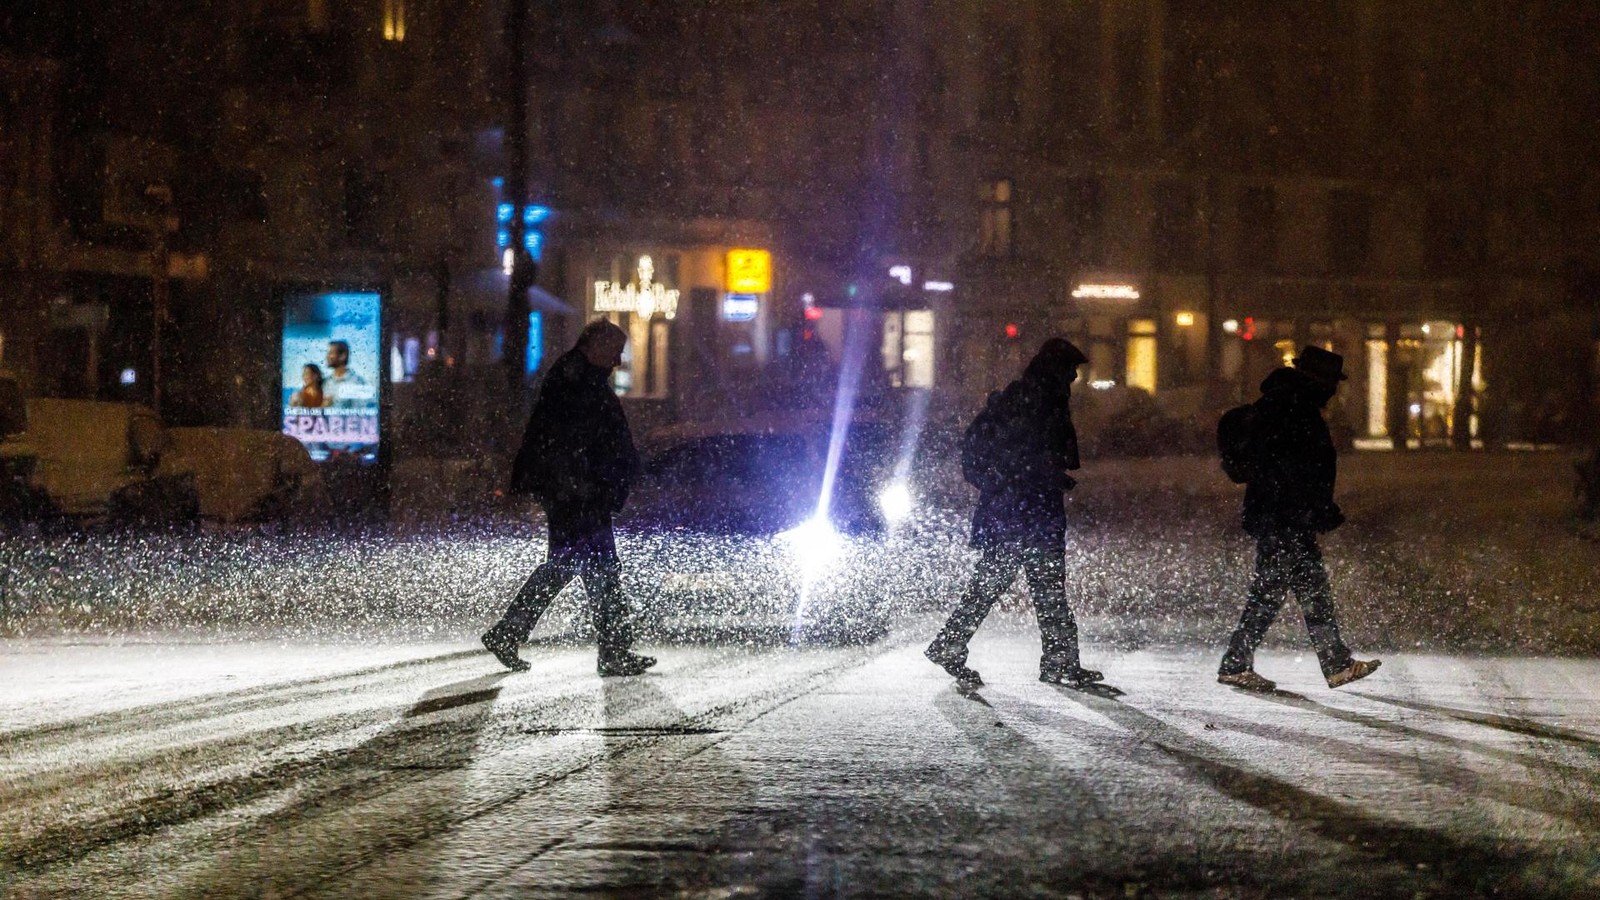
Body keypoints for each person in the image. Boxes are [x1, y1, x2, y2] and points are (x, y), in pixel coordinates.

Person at [925, 337, 1103, 688]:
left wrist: (1030, 479)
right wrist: (1043, 477)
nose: (1073, 379)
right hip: (1030, 513)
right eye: (1070, 370)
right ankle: (1059, 661)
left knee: (994, 586)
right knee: (1047, 590)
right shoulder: (1040, 403)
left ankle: (952, 644)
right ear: (1056, 369)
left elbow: (1017, 459)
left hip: (1010, 511)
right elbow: (1035, 458)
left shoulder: (1020, 400)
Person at [482, 320, 655, 676]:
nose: (618, 360)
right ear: (595, 345)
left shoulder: (577, 375)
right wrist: (586, 484)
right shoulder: (576, 379)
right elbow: (575, 441)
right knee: (593, 568)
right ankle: (609, 651)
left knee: (585, 568)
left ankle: (513, 633)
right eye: (615, 351)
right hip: (577, 493)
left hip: (578, 491)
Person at [1216, 346, 1381, 692]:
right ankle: (1237, 663)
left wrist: (1315, 505)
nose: (1335, 390)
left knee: (1300, 590)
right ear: (1319, 380)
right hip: (1285, 518)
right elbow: (1293, 467)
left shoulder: (1287, 402)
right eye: (1333, 383)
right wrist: (1311, 507)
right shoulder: (1293, 407)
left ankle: (1334, 663)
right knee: (1277, 592)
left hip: (1284, 516)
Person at [322, 340, 369, 409]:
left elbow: (362, 412)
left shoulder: (356, 382)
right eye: (328, 353)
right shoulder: (326, 382)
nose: (327, 356)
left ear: (343, 356)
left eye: (331, 353)